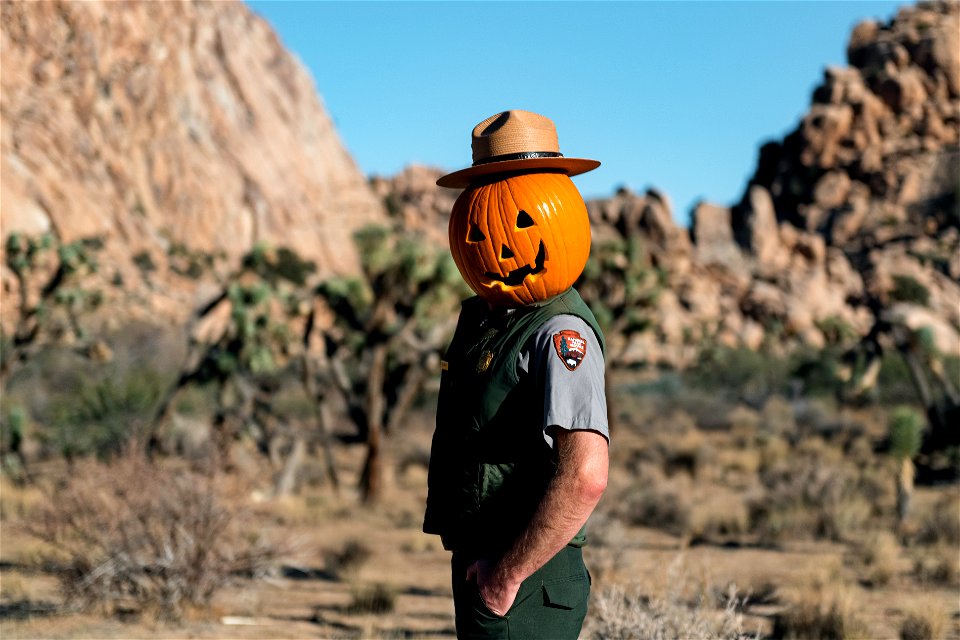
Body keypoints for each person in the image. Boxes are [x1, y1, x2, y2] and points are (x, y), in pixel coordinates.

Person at [424, 110, 609, 639]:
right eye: (478, 230)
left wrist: (506, 577)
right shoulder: (488, 322)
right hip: (488, 565)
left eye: (524, 222)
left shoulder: (559, 332)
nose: (499, 246)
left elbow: (586, 474)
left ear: (561, 215)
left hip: (525, 577)